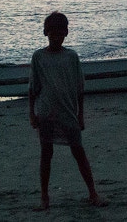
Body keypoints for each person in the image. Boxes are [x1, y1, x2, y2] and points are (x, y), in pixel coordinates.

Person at [28, 12, 106, 211]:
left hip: (68, 112)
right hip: (46, 113)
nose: (56, 36)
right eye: (52, 32)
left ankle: (93, 193)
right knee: (46, 153)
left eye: (60, 32)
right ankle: (44, 197)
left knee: (79, 152)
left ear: (66, 33)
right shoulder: (38, 57)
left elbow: (80, 88)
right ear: (46, 32)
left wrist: (80, 115)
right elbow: (33, 88)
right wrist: (32, 113)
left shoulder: (71, 57)